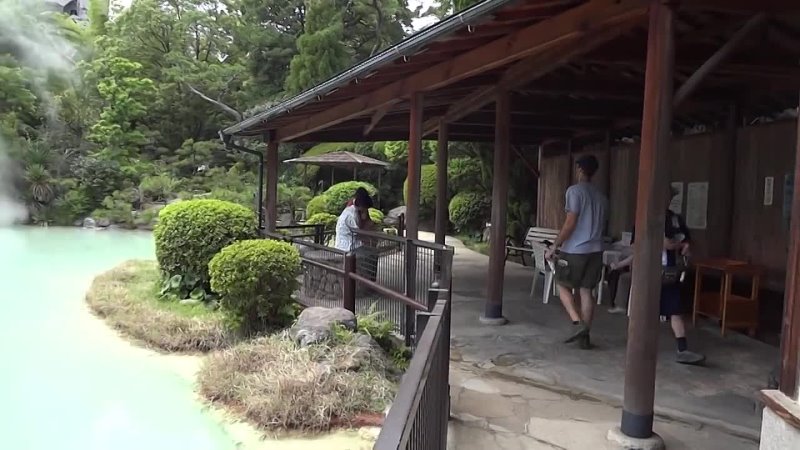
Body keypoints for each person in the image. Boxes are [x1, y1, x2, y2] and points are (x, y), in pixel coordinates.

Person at [545, 154, 608, 349]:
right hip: (596, 249)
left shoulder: (574, 191)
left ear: (579, 169)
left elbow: (570, 222)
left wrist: (555, 245)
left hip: (575, 250)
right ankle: (585, 337)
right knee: (586, 291)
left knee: (562, 284)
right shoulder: (601, 197)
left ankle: (576, 323)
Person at [661, 188, 705, 365]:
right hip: (649, 270)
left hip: (671, 269)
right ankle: (638, 345)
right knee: (645, 310)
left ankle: (682, 349)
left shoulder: (674, 219)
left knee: (676, 309)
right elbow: (635, 244)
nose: (667, 200)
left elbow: (686, 238)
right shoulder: (646, 216)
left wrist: (685, 245)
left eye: (669, 197)